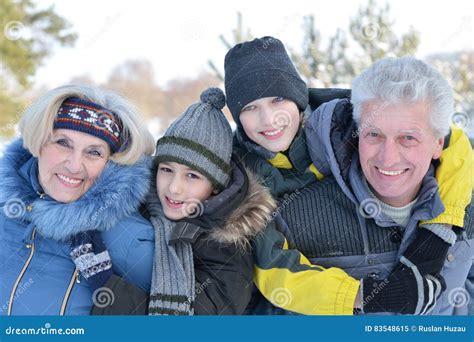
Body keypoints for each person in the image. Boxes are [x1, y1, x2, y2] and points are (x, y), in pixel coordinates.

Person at [224, 37, 473, 314]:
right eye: (249, 108)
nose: (270, 119)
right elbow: (273, 269)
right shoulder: (241, 179)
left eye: (278, 99)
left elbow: (455, 142)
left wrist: (437, 234)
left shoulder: (341, 123)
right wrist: (365, 296)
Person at [0, 85, 156, 315]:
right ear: (39, 143)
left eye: (94, 152)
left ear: (111, 164)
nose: (74, 165)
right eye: (63, 143)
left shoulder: (129, 238)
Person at [143, 87, 276, 315]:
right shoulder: (138, 210)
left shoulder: (227, 258)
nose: (174, 187)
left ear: (216, 186)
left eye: (192, 175)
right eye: (166, 169)